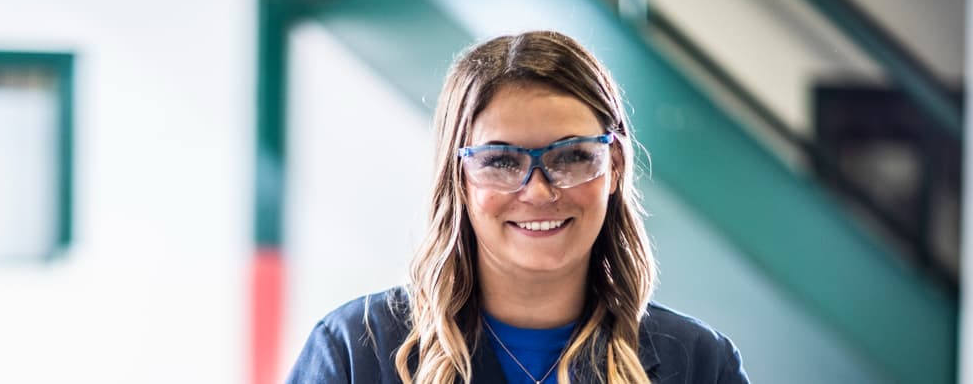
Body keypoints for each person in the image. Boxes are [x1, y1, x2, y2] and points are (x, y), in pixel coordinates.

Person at [287, 31, 748, 384]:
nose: (540, 191)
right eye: (502, 161)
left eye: (571, 156)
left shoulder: (696, 363)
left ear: (615, 166)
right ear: (458, 179)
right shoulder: (356, 351)